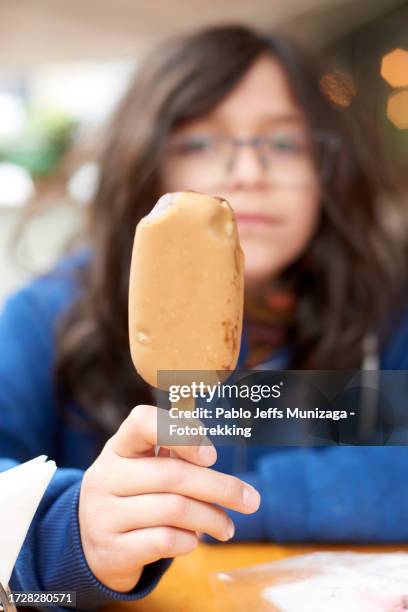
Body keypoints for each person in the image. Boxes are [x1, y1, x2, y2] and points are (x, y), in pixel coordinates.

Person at [1, 24, 408, 609]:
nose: (248, 173)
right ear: (143, 163)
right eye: (198, 143)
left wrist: (218, 503)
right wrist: (70, 529)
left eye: (285, 144)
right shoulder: (46, 319)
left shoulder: (382, 319)